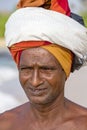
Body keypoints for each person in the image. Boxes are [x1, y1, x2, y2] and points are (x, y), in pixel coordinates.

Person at [0, 0, 87, 130]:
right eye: (26, 69)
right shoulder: (5, 123)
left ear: (66, 70)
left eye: (46, 69)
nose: (35, 81)